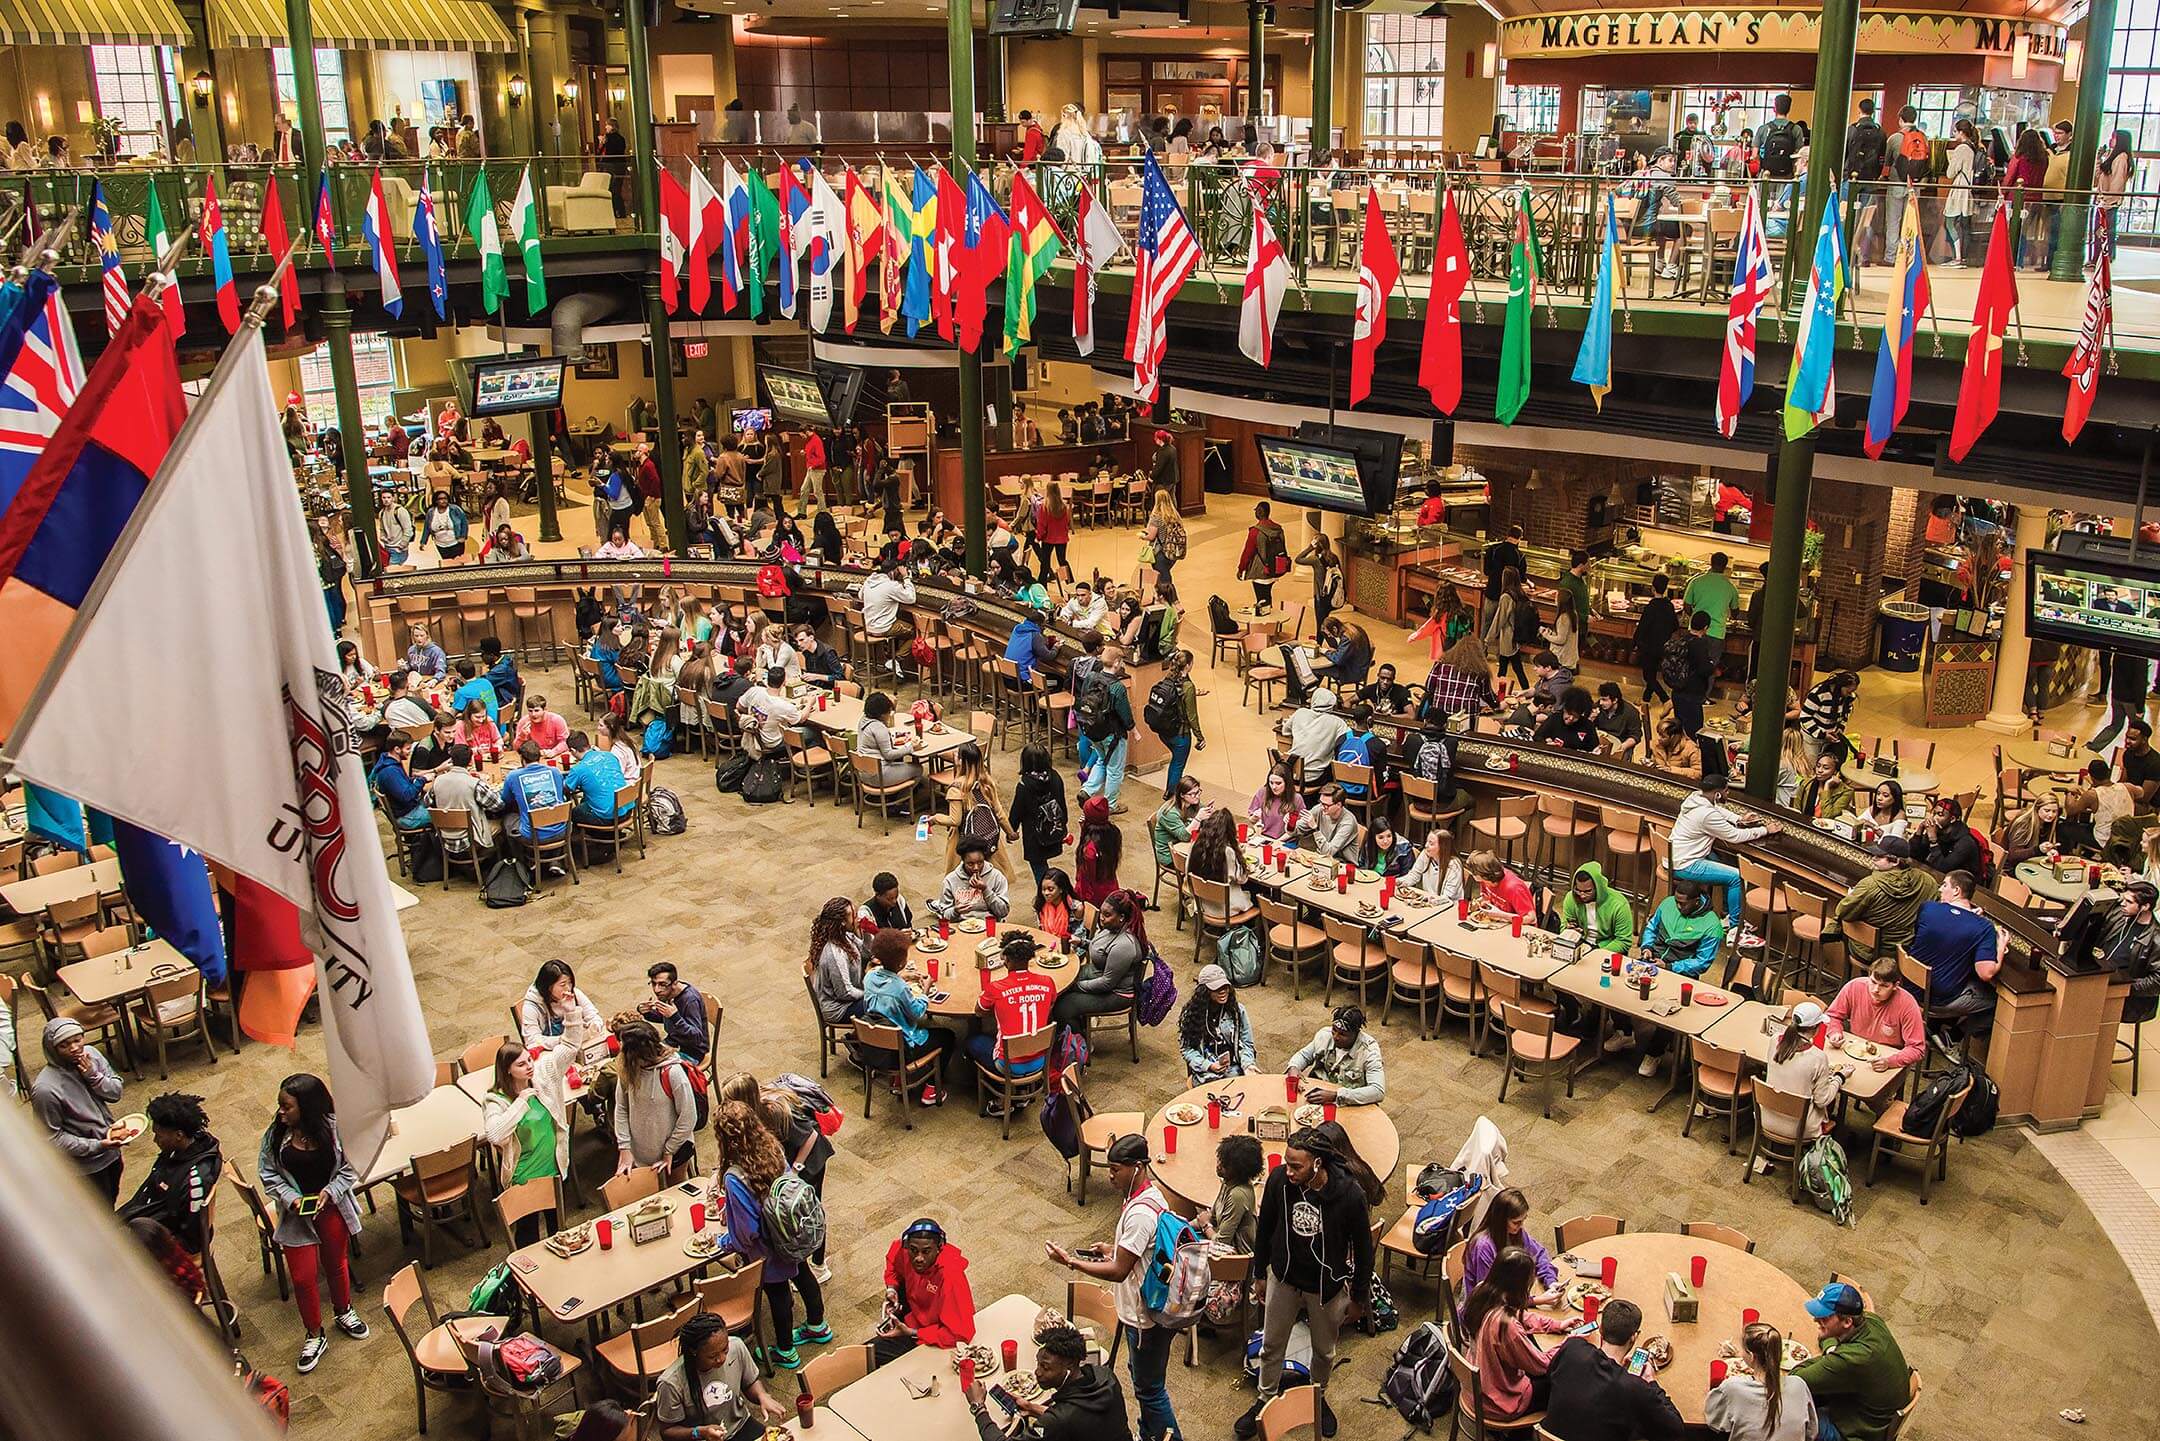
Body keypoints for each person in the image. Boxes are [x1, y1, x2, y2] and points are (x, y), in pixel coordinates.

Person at [1236, 1127, 1374, 1439]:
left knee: (1324, 1351)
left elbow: (1365, 1250)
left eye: (1296, 1165)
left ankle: (1318, 1397)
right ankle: (1265, 1398)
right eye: (1287, 1163)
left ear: (1317, 1164)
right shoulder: (1278, 1181)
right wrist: (1260, 1272)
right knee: (1272, 1344)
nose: (1288, 1170)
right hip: (1284, 1277)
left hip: (1325, 1286)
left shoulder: (1350, 1195)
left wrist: (1359, 1297)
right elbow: (1267, 1226)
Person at [1047, 1132, 1182, 1441]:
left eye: (1115, 1169)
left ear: (1136, 1167)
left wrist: (1073, 1263)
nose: (1109, 1176)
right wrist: (1112, 1248)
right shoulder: (1152, 1195)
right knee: (1144, 1376)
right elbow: (1140, 1252)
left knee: (1150, 1390)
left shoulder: (1140, 1215)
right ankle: (1151, 1432)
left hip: (1144, 1317)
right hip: (1150, 1310)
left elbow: (1120, 1271)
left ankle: (1170, 1437)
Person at [256, 1074, 369, 1372]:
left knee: (336, 1264)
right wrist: (290, 1197)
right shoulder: (275, 1136)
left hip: (331, 1209)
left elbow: (352, 1166)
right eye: (281, 1105)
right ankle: (314, 1334)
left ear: (307, 1106)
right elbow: (268, 1174)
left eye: (287, 1107)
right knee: (304, 1279)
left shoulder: (335, 1130)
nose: (281, 1112)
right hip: (296, 1217)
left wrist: (330, 1192)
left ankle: (344, 1311)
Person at [1543, 1297, 1687, 1441]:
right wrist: (1650, 1381)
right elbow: (1676, 1431)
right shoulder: (1635, 1388)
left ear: (1600, 1329)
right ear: (1634, 1337)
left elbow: (1550, 1380)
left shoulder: (1572, 1347)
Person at [964, 1320, 1131, 1441]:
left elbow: (1061, 1421)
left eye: (1046, 1367)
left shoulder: (1055, 1422)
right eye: (1038, 1363)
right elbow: (1080, 1420)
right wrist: (1032, 1408)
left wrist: (978, 1407)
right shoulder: (1105, 1376)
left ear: (1070, 1365)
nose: (1037, 1372)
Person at [1460, 1247, 1573, 1423]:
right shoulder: (1506, 1327)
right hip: (1499, 1402)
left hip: (1478, 1387)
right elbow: (1541, 1365)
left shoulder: (1483, 1290)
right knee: (1566, 1379)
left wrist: (1556, 1325)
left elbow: (1521, 1314)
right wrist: (1568, 1344)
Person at [1790, 1282, 1908, 1441]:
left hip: (1857, 1432)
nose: (1816, 1320)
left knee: (1786, 1414)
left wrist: (1831, 1358)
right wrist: (1831, 1350)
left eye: (1824, 1317)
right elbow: (1827, 1338)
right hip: (1865, 1413)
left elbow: (1796, 1379)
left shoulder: (1856, 1359)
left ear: (1847, 1322)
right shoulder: (1871, 1321)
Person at [479, 1042, 572, 1244]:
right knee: (528, 1234)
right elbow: (494, 1134)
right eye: (521, 1064)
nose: (529, 1066)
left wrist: (572, 1013)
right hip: (525, 1176)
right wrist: (520, 1102)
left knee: (559, 1229)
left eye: (529, 1059)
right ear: (507, 1070)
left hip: (553, 1168)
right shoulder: (495, 1100)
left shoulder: (539, 1083)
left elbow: (569, 1048)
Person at [654, 1310, 790, 1441]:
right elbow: (667, 1431)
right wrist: (700, 1432)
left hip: (740, 1425)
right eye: (712, 1356)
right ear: (693, 1351)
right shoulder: (671, 1383)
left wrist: (762, 1396)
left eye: (725, 1350)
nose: (722, 1359)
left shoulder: (736, 1346)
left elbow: (749, 1382)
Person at [32, 1018, 127, 1200]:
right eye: (64, 1045)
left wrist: (94, 1077)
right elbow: (51, 1139)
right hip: (85, 1168)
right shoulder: (46, 1089)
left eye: (77, 1040)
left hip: (111, 1151)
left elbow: (115, 1093)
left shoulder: (91, 1055)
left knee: (112, 1195)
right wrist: (97, 1145)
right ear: (53, 1049)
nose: (75, 1048)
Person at [1671, 773, 1774, 938]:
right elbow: (1735, 837)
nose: (1728, 794)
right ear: (1718, 794)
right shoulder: (1706, 815)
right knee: (1737, 877)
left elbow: (1716, 810)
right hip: (1687, 864)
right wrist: (1765, 830)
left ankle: (1728, 915)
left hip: (1678, 856)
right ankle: (1736, 929)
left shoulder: (1696, 797)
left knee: (1726, 865)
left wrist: (1739, 819)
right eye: (1726, 791)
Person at [118, 1092, 221, 1255]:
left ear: (179, 1135)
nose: (155, 1140)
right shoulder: (177, 1150)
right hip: (149, 1217)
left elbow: (192, 1240)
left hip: (170, 1244)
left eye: (158, 1135)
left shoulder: (195, 1180)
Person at [862, 928, 958, 1101]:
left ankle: (898, 1080)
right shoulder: (899, 988)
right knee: (948, 1036)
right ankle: (932, 1089)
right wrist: (925, 989)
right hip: (902, 1049)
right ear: (901, 962)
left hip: (876, 1044)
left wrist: (901, 976)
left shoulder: (869, 977)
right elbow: (917, 1012)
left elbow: (885, 982)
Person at [1907, 868, 2001, 1040]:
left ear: (1957, 890)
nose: (1940, 889)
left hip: (1909, 988)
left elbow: (1945, 926)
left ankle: (1934, 1029)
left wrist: (1969, 917)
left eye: (1944, 885)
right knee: (1999, 1004)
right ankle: (1952, 1037)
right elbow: (1986, 973)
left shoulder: (1927, 908)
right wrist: (2000, 948)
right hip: (1937, 1002)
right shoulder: (1983, 927)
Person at [875, 1216, 977, 1366]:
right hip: (914, 1312)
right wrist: (892, 1288)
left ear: (939, 1248)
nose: (919, 1258)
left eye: (926, 1251)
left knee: (873, 1353)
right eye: (913, 1250)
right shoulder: (905, 1250)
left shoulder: (951, 1277)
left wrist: (913, 1333)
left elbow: (959, 1333)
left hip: (929, 1333)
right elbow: (893, 1263)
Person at [969, 934, 1059, 1097]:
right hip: (1041, 1060)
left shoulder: (995, 988)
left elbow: (978, 1011)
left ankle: (1000, 1094)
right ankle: (1023, 1088)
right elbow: (1050, 1005)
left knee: (971, 1041)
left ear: (1006, 960)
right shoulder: (1048, 981)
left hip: (1008, 1065)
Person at [613, 1020, 698, 1183]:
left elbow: (688, 1117)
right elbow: (621, 1107)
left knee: (676, 1193)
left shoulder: (673, 1073)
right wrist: (624, 1147)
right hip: (640, 1152)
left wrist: (669, 1150)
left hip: (676, 1150)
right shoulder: (627, 1070)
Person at [1705, 1320, 1818, 1441]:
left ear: (1752, 1356)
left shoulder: (1733, 1388)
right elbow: (1812, 1432)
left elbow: (1713, 1421)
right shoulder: (1799, 1385)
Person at [1051, 888, 1148, 1027]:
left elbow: (1107, 983)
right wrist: (1081, 942)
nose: (1101, 918)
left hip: (1116, 994)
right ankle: (1076, 1025)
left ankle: (1081, 1043)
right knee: (1059, 985)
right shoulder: (1111, 928)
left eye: (1107, 915)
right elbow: (1103, 950)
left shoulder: (1124, 945)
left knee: (1063, 1007)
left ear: (1121, 917)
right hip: (1097, 974)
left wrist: (1077, 986)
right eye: (1102, 912)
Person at [1826, 961, 1927, 1091]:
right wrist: (1835, 1032)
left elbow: (1917, 1048)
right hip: (1853, 1053)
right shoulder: (1854, 987)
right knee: (1824, 1082)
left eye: (1884, 986)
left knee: (1874, 1097)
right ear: (1869, 976)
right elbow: (1833, 1015)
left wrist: (1890, 1062)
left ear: (1895, 985)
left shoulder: (1907, 1004)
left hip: (1886, 1060)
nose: (1875, 990)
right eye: (1873, 982)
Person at [1833, 836, 1932, 963]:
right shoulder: (1926, 881)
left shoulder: (1870, 885)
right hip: (1902, 953)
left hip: (1869, 953)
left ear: (1895, 861)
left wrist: (1852, 896)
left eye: (1879, 856)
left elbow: (1842, 912)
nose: (1873, 858)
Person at [1459, 1187, 1560, 1301]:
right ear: (1501, 1220)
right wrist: (1536, 1300)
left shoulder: (1515, 1232)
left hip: (1512, 1294)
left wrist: (1550, 1281)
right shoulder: (1483, 1247)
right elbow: (1491, 1297)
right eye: (1516, 1222)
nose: (1521, 1226)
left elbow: (1539, 1254)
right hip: (1485, 1308)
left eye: (1523, 1220)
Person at [1763, 1002, 1843, 1143]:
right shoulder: (1818, 1057)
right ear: (1815, 1028)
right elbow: (1822, 1100)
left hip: (1767, 1118)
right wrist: (1839, 1078)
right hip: (1800, 1128)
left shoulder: (1774, 1040)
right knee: (1830, 1101)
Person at [1284, 1006, 1385, 1105]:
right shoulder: (1324, 1036)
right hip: (1316, 1095)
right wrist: (1294, 1068)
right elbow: (1303, 1056)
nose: (1335, 1037)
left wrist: (1336, 1095)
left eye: (1342, 1034)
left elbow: (1377, 1091)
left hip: (1349, 1103)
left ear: (1355, 1034)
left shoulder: (1369, 1052)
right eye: (1334, 1030)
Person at [1178, 963, 1257, 1087]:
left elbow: (1247, 1044)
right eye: (1216, 988)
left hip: (1234, 1066)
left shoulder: (1237, 1011)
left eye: (1225, 987)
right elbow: (1187, 1049)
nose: (1223, 991)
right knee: (1214, 1086)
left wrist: (1248, 1065)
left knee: (1239, 1082)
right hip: (1207, 1071)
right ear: (1205, 991)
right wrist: (1208, 1065)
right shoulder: (1193, 1014)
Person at [1079, 653, 1136, 811]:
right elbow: (1125, 713)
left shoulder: (1091, 677)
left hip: (1092, 728)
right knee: (1115, 770)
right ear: (1116, 663)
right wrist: (1134, 730)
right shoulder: (1117, 687)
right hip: (1112, 734)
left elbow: (1082, 696)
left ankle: (1087, 790)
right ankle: (1111, 805)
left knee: (1101, 761)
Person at [1009, 744, 1069, 886]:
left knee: (1039, 868)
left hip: (1034, 837)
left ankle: (1046, 898)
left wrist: (1011, 830)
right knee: (1042, 868)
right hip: (1054, 829)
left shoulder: (1024, 785)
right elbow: (1061, 802)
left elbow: (1017, 810)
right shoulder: (1055, 777)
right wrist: (1063, 823)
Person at [519, 958, 606, 1053]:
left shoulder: (575, 994)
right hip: (552, 1054)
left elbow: (593, 1016)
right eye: (562, 984)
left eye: (570, 983)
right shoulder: (532, 1007)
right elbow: (532, 1041)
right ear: (548, 987)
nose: (568, 988)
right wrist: (565, 1040)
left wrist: (594, 1026)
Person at [642, 961, 712, 1063]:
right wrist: (646, 1012)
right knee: (638, 1054)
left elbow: (696, 1037)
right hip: (672, 1042)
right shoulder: (667, 993)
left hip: (693, 1052)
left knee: (651, 1068)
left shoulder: (690, 1000)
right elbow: (663, 1017)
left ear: (675, 983)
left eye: (662, 984)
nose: (657, 990)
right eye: (653, 983)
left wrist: (675, 1017)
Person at [928, 837, 1013, 921]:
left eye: (980, 862)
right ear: (963, 860)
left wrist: (985, 890)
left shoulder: (996, 877)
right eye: (970, 864)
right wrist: (955, 911)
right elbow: (946, 916)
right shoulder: (950, 880)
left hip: (989, 924)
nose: (976, 868)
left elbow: (1003, 912)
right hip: (961, 926)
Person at [562, 729, 634, 826]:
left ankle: (582, 838)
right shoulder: (610, 756)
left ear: (573, 750)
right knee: (587, 800)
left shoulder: (578, 769)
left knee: (574, 812)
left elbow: (566, 788)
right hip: (628, 809)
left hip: (608, 817)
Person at [1561, 861, 1636, 951]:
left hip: (1607, 947)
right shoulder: (1571, 897)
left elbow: (1623, 942)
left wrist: (1597, 953)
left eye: (1587, 891)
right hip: (1580, 943)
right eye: (1578, 890)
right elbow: (1563, 926)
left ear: (1598, 887)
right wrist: (1568, 930)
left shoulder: (1619, 905)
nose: (1582, 895)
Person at [1633, 572, 1680, 704]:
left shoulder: (1651, 607)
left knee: (1648, 676)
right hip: (1663, 646)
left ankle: (1665, 699)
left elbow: (1642, 627)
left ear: (1652, 588)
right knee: (1652, 673)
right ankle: (1645, 699)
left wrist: (1636, 642)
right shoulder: (1669, 606)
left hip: (1649, 647)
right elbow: (1675, 625)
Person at [1238, 500, 1290, 607]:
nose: (1255, 512)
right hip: (1274, 568)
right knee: (1267, 596)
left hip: (1260, 571)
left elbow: (1247, 553)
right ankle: (1269, 615)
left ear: (1260, 512)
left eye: (1256, 510)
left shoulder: (1256, 532)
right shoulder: (1278, 529)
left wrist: (1241, 568)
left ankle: (1265, 621)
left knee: (1261, 600)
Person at [1291, 783, 1360, 861]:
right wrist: (1291, 823)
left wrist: (1315, 829)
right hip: (1322, 858)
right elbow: (1294, 832)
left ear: (1338, 805)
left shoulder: (1348, 822)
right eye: (1321, 802)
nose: (1322, 807)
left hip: (1343, 863)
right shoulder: (1320, 808)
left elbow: (1328, 852)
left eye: (1326, 805)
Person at [1149, 775, 1204, 872]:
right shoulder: (1169, 813)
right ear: (1182, 795)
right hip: (1170, 856)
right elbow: (1184, 836)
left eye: (1198, 792)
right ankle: (1194, 886)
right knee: (1208, 866)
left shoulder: (1192, 803)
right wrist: (1198, 818)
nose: (1197, 796)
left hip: (1185, 847)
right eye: (1193, 794)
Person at [1466, 850, 1536, 917]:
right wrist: (1480, 901)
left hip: (1518, 926)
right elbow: (1487, 897)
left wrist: (1500, 915)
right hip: (1499, 922)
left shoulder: (1514, 887)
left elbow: (1531, 918)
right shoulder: (1485, 880)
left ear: (1482, 874)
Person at [1534, 684, 1602, 752]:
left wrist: (1595, 751)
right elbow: (1537, 736)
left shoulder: (1588, 726)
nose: (1571, 718)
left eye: (1575, 716)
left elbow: (1594, 748)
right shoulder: (1555, 718)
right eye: (1569, 713)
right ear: (1564, 709)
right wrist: (1546, 743)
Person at [1248, 762, 1304, 840]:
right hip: (1263, 837)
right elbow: (1251, 820)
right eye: (1271, 783)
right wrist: (1254, 817)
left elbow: (1300, 828)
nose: (1274, 787)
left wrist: (1276, 842)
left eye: (1278, 783)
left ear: (1287, 783)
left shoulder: (1297, 799)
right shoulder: (1262, 792)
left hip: (1285, 840)